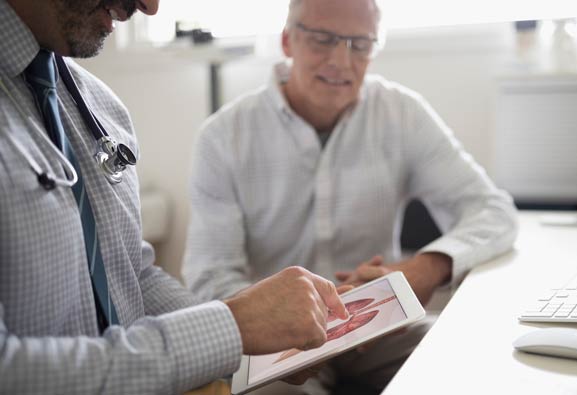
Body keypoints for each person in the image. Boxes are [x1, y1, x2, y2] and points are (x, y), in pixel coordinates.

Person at [0, 1, 349, 393]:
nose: (149, 7)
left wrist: (260, 335)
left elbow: (132, 276)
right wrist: (231, 328)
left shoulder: (100, 107)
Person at [183, 0, 518, 392]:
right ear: (288, 41)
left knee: (461, 363)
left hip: (381, 332)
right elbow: (209, 277)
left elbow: (494, 211)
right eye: (324, 39)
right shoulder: (223, 137)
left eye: (360, 44)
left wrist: (425, 269)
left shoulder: (402, 113)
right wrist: (271, 320)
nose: (342, 62)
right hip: (281, 345)